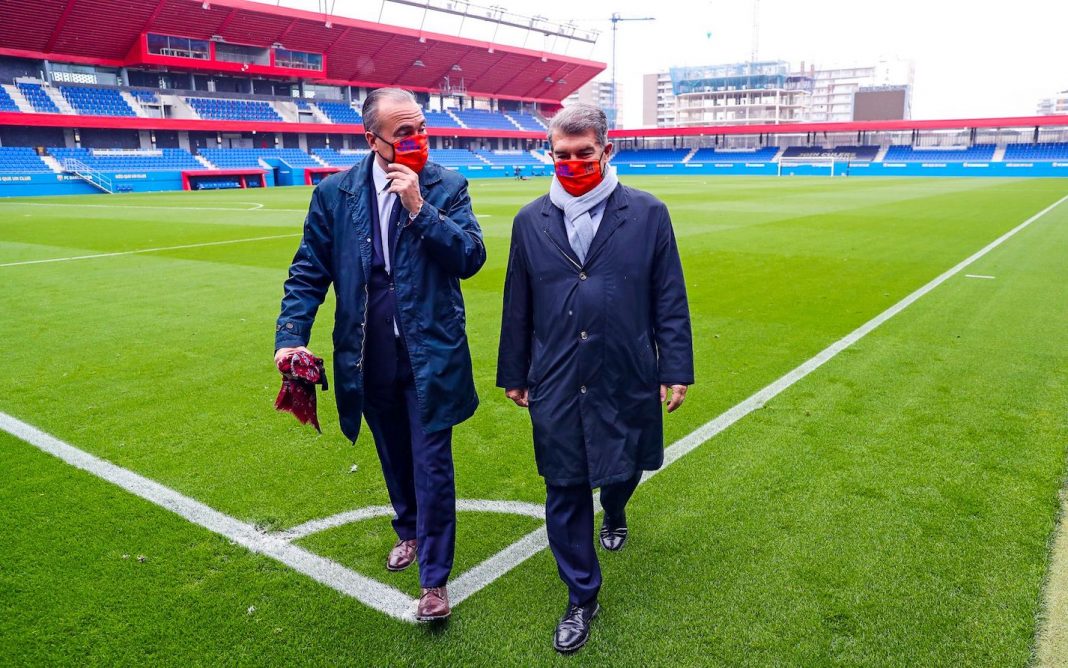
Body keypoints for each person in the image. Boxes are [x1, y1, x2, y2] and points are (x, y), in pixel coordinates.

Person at [274, 87, 486, 622]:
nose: (418, 140)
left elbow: (470, 257)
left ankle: (434, 579)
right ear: (373, 140)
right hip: (367, 351)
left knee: (432, 462)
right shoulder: (335, 194)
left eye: (422, 129)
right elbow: (308, 270)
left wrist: (419, 208)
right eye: (404, 133)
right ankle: (408, 528)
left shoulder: (446, 185)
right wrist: (291, 335)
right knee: (392, 450)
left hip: (430, 350)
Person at [496, 104, 694, 653]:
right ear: (549, 155)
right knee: (563, 484)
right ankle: (582, 595)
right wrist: (514, 371)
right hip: (556, 374)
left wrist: (675, 367)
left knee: (624, 468)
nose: (573, 163)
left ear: (606, 151)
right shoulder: (529, 220)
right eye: (561, 155)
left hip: (625, 368)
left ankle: (617, 506)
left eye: (584, 153)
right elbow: (518, 302)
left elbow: (669, 295)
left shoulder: (648, 213)